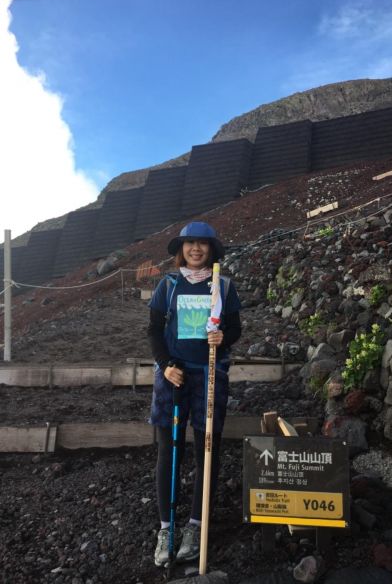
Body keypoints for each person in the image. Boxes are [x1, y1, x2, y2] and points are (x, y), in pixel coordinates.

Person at [147, 221, 241, 567]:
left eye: (202, 244)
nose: (195, 249)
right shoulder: (168, 285)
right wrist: (166, 364)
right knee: (167, 451)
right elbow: (155, 331)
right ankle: (166, 527)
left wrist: (223, 339)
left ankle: (196, 526)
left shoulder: (224, 286)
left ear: (212, 249)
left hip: (209, 375)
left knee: (207, 452)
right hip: (172, 376)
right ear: (180, 250)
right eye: (189, 244)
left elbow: (234, 327)